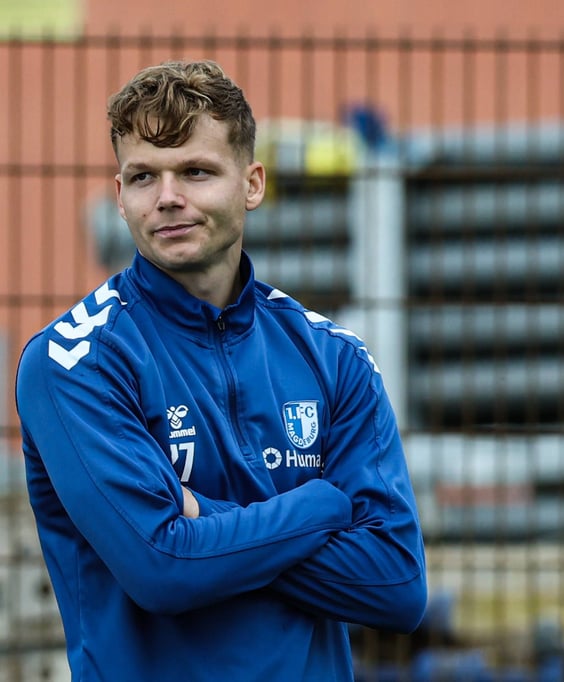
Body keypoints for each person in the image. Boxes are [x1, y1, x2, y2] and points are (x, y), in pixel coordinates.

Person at [15, 60, 427, 681]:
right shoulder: (74, 363)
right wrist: (318, 506)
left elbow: (395, 586)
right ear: (121, 198)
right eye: (143, 177)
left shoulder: (333, 357)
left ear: (252, 183)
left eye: (196, 171)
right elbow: (163, 568)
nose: (168, 198)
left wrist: (203, 519)